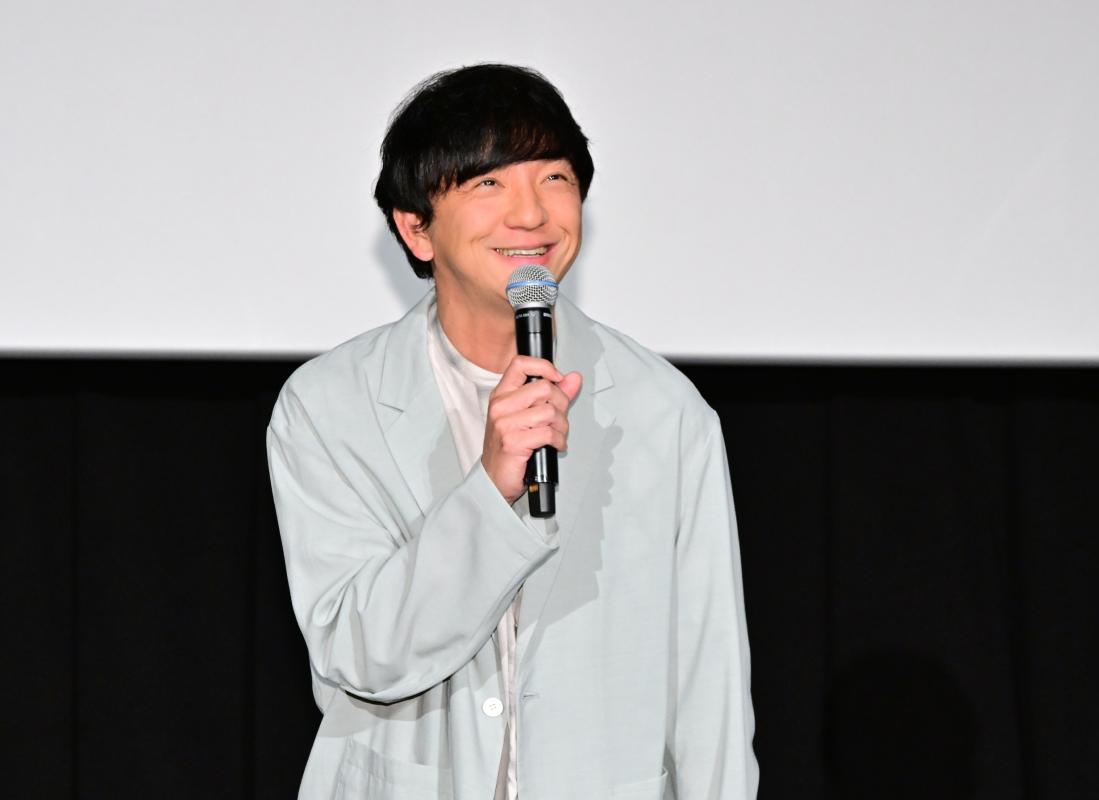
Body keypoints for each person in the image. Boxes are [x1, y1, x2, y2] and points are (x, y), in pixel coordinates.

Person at [267, 63, 757, 799]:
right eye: (489, 183)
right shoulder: (330, 406)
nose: (531, 214)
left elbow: (709, 684)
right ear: (416, 228)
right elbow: (359, 655)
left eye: (555, 178)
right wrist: (490, 491)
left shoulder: (665, 412)